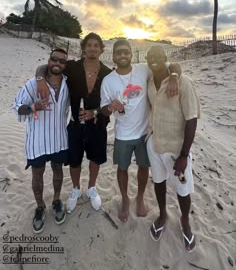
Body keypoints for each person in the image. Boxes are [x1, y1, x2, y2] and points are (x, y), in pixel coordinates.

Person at [100, 39, 181, 223]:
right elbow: (103, 108)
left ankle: (140, 197)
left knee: (144, 167)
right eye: (119, 52)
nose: (122, 55)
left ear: (131, 54)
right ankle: (125, 199)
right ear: (113, 56)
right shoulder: (108, 81)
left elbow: (172, 64)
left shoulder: (143, 70)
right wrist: (110, 107)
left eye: (126, 52)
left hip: (145, 133)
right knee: (122, 168)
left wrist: (175, 76)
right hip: (122, 134)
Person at [36, 33, 111, 213]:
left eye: (96, 45)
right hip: (75, 125)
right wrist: (40, 81)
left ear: (101, 49)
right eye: (89, 45)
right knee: (75, 161)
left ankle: (92, 188)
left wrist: (95, 113)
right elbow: (44, 67)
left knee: (95, 159)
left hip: (98, 125)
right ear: (83, 48)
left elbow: (111, 103)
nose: (92, 48)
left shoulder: (108, 73)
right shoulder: (71, 67)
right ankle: (76, 189)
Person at [146, 46, 200, 252]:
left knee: (182, 189)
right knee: (158, 182)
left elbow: (191, 119)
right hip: (155, 144)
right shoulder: (149, 81)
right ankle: (163, 214)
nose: (154, 59)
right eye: (151, 56)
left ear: (165, 58)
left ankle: (185, 221)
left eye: (158, 56)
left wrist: (184, 155)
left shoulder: (183, 83)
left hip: (176, 148)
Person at [14, 48, 70, 233]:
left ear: (65, 65)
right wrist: (32, 107)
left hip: (59, 139)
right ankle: (39, 207)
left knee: (58, 171)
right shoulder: (32, 84)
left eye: (62, 61)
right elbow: (17, 107)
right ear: (49, 61)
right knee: (37, 175)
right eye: (54, 59)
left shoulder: (68, 84)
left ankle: (56, 200)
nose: (57, 63)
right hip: (37, 141)